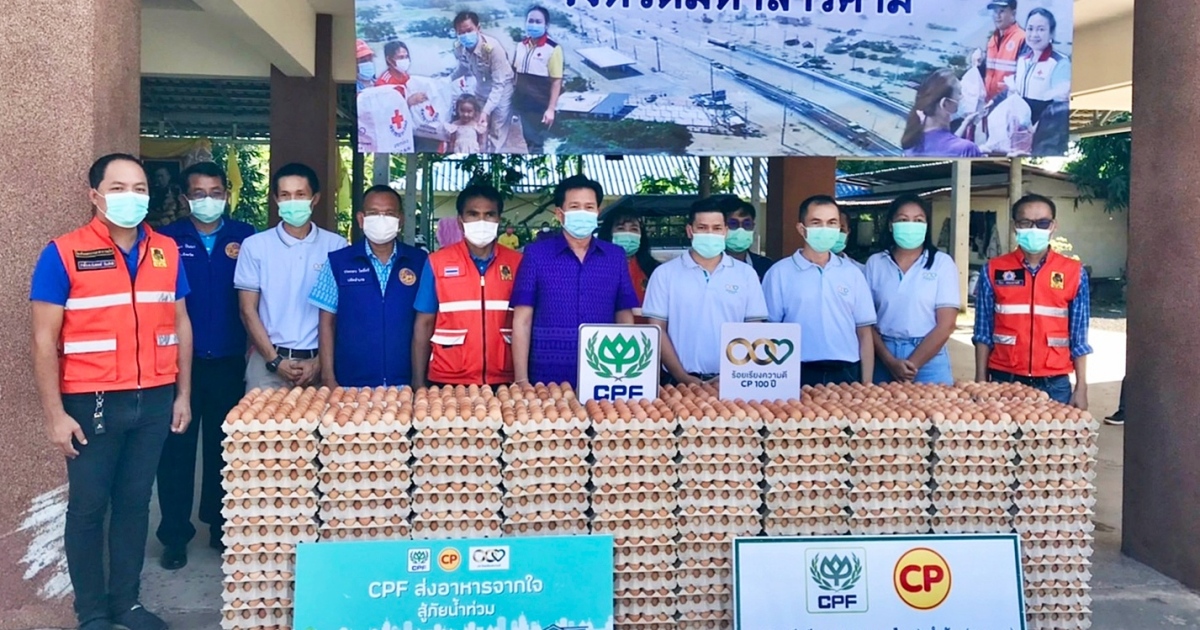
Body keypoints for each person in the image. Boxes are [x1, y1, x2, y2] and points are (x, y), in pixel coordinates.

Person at [31, 153, 193, 630]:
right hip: (91, 402)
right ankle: (92, 612)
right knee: (88, 508)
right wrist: (55, 415)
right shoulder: (63, 253)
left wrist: (183, 394)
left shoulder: (165, 250)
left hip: (154, 398)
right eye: (118, 188)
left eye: (139, 188)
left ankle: (127, 603)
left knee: (135, 504)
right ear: (95, 195)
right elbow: (43, 340)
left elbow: (180, 323)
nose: (131, 197)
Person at [154, 162, 255, 570]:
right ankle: (174, 536)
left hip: (230, 359)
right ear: (185, 198)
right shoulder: (166, 241)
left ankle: (219, 526)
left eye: (215, 192)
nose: (208, 200)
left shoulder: (245, 237)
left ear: (226, 195)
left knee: (223, 449)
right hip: (180, 363)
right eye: (199, 193)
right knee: (176, 453)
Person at [511, 175, 640, 387]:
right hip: (545, 378)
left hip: (604, 374)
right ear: (559, 214)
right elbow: (522, 320)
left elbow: (624, 317)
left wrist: (625, 375)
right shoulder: (536, 255)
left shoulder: (615, 256)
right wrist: (522, 380)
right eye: (574, 206)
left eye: (589, 207)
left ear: (597, 212)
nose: (583, 212)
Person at [235, 163, 347, 392]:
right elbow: (247, 310)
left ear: (315, 199)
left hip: (319, 364)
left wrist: (320, 362)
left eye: (300, 194)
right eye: (285, 195)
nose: (292, 201)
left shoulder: (336, 246)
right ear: (276, 199)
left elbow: (342, 313)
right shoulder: (255, 246)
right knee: (258, 416)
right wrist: (275, 361)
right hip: (266, 363)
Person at [973, 193, 1091, 407]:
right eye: (1026, 223)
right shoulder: (993, 270)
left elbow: (1079, 337)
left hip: (1054, 383)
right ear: (1014, 226)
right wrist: (981, 382)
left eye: (1042, 223)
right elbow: (983, 332)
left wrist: (1081, 386)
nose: (1034, 229)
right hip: (1003, 381)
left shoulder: (1074, 272)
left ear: (1053, 226)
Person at [308, 185, 425, 387]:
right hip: (350, 385)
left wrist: (419, 382)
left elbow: (426, 322)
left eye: (389, 214)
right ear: (361, 219)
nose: (381, 219)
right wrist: (328, 378)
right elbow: (326, 324)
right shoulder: (338, 262)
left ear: (400, 219)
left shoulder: (420, 262)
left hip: (405, 384)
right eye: (373, 213)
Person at [643, 198, 769, 384]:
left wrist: (731, 374)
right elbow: (657, 329)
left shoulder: (746, 274)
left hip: (733, 380)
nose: (710, 234)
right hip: (677, 383)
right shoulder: (664, 274)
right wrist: (682, 377)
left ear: (725, 231)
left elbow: (753, 329)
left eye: (717, 228)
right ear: (690, 231)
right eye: (702, 228)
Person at [412, 184, 522, 388]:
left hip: (504, 379)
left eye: (489, 214)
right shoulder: (437, 262)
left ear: (499, 219)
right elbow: (424, 324)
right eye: (473, 214)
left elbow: (526, 322)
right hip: (447, 379)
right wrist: (418, 382)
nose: (482, 221)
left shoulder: (517, 263)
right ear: (460, 221)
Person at [764, 195, 876, 386]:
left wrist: (866, 384)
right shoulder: (779, 273)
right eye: (816, 223)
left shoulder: (852, 273)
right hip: (796, 370)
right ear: (801, 229)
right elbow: (768, 331)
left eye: (832, 223)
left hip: (847, 371)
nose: (825, 229)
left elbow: (864, 332)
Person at [866, 194, 961, 385]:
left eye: (918, 220)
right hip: (884, 354)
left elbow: (946, 325)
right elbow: (865, 321)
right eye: (903, 220)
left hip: (929, 357)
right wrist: (890, 362)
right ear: (891, 225)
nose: (911, 225)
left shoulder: (942, 263)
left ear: (926, 226)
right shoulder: (875, 263)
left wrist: (911, 366)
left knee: (934, 405)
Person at [451, 11, 515, 152]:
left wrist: (486, 111)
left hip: (502, 90)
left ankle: (494, 155)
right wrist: (446, 81)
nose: (466, 35)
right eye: (461, 32)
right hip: (481, 89)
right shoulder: (459, 48)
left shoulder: (493, 48)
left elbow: (499, 84)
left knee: (497, 130)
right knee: (478, 127)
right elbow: (463, 68)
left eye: (469, 30)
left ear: (478, 28)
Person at [1013, 8, 1070, 155]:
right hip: (1020, 131)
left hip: (1045, 132)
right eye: (1030, 28)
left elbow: (1059, 106)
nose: (1034, 35)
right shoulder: (1022, 60)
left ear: (1051, 33)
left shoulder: (1060, 63)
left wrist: (1036, 129)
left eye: (1041, 29)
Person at [512, 6, 564, 153]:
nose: (533, 25)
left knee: (536, 143)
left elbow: (556, 81)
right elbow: (515, 73)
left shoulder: (553, 49)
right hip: (521, 103)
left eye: (538, 21)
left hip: (539, 105)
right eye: (531, 21)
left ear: (546, 25)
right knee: (524, 141)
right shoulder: (520, 46)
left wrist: (551, 109)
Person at [902, 69, 984, 158]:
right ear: (945, 104)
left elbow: (944, 144)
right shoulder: (967, 150)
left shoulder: (911, 145)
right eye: (959, 93)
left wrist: (965, 123)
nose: (962, 97)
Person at [598, 208, 659, 305]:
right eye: (621, 229)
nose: (628, 234)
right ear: (609, 233)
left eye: (634, 229)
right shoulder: (596, 267)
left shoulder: (653, 269)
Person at [981, 0, 1027, 103]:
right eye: (995, 11)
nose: (997, 16)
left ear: (1013, 14)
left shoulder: (1022, 39)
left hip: (1008, 103)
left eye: (1002, 11)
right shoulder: (993, 39)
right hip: (989, 103)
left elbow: (1022, 79)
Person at [719, 196, 774, 281]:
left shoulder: (766, 266)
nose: (741, 229)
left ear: (753, 226)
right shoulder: (708, 265)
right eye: (733, 224)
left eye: (747, 224)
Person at [833, 209, 867, 275]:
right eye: (832, 229)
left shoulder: (859, 270)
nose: (836, 233)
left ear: (848, 232)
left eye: (841, 230)